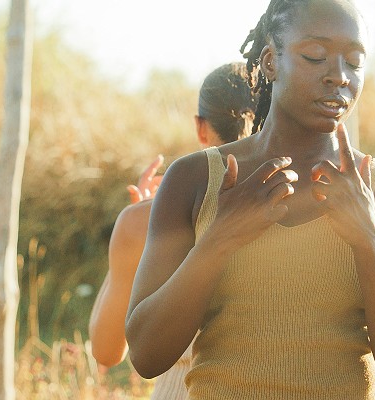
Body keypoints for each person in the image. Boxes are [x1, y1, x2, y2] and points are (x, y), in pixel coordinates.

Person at [124, 0, 375, 398]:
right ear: (270, 62)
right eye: (315, 56)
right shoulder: (193, 180)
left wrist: (369, 239)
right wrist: (220, 237)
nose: (339, 76)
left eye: (355, 62)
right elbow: (146, 354)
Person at [87, 62, 258, 399]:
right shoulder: (304, 206)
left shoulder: (147, 220)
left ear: (201, 127)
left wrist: (134, 224)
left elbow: (106, 351)